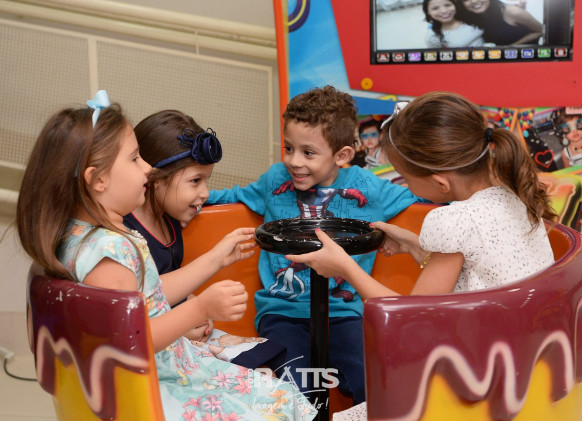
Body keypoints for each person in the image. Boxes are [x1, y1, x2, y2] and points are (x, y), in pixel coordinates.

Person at [16, 90, 316, 421]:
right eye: (134, 159)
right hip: (158, 386)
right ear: (98, 180)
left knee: (276, 390)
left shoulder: (88, 237)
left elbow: (148, 297)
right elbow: (131, 342)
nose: (147, 168)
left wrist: (216, 260)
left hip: (170, 368)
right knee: (279, 402)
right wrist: (199, 308)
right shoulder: (107, 256)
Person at [288, 90, 557, 420]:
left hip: (474, 387)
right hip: (527, 373)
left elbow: (410, 321)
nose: (404, 184)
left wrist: (344, 266)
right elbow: (479, 275)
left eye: (406, 177)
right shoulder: (515, 195)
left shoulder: (452, 219)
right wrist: (417, 246)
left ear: (441, 183)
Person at [206, 85, 419, 406]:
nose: (293, 161)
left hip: (345, 313)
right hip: (283, 313)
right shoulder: (275, 179)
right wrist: (189, 196)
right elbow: (233, 196)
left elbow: (426, 197)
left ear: (342, 155)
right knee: (297, 390)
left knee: (375, 381)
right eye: (288, 148)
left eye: (308, 153)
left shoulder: (369, 188)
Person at [124, 109, 286, 369]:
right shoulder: (126, 233)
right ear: (155, 178)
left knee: (272, 363)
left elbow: (173, 281)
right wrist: (214, 263)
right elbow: (145, 294)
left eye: (206, 181)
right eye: (195, 181)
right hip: (148, 350)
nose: (205, 193)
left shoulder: (170, 220)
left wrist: (192, 305)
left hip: (185, 335)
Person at [457, 0, 543, 45]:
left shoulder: (512, 12)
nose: (473, 1)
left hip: (524, 58)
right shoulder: (475, 15)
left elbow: (541, 31)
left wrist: (511, 47)